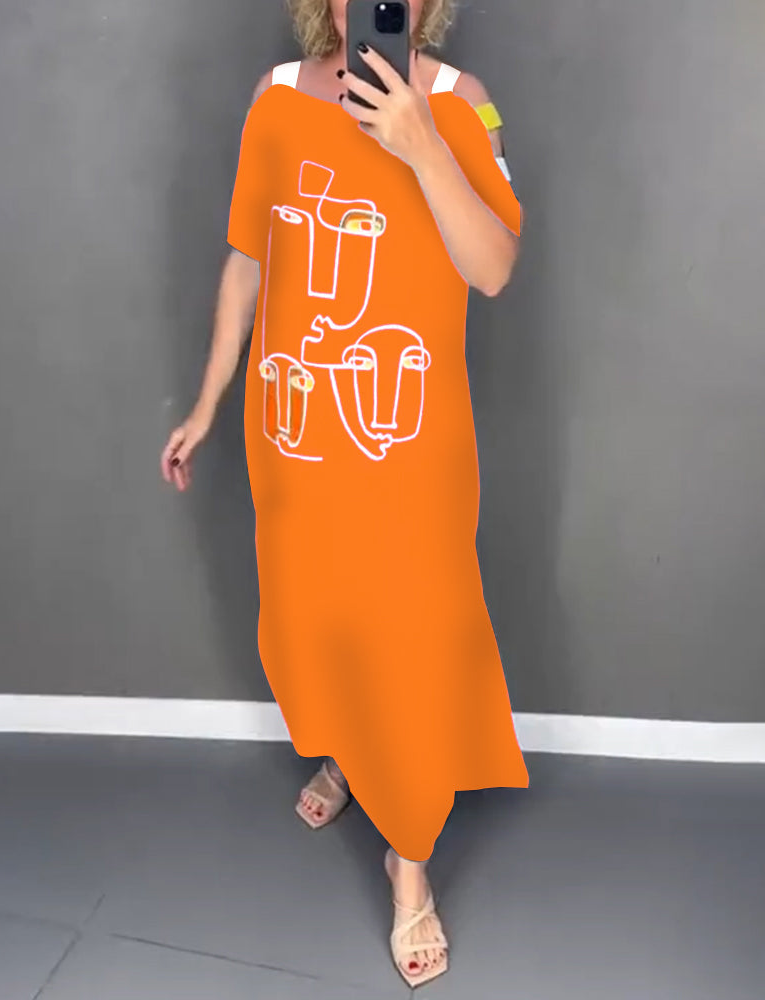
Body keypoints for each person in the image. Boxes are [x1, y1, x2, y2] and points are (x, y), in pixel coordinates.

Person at [160, 0, 528, 987]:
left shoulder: (462, 104)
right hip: (295, 438)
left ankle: (409, 868)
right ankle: (348, 756)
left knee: (412, 638)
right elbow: (249, 260)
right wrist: (206, 403)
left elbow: (493, 268)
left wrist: (419, 143)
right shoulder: (276, 99)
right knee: (312, 623)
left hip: (410, 450)